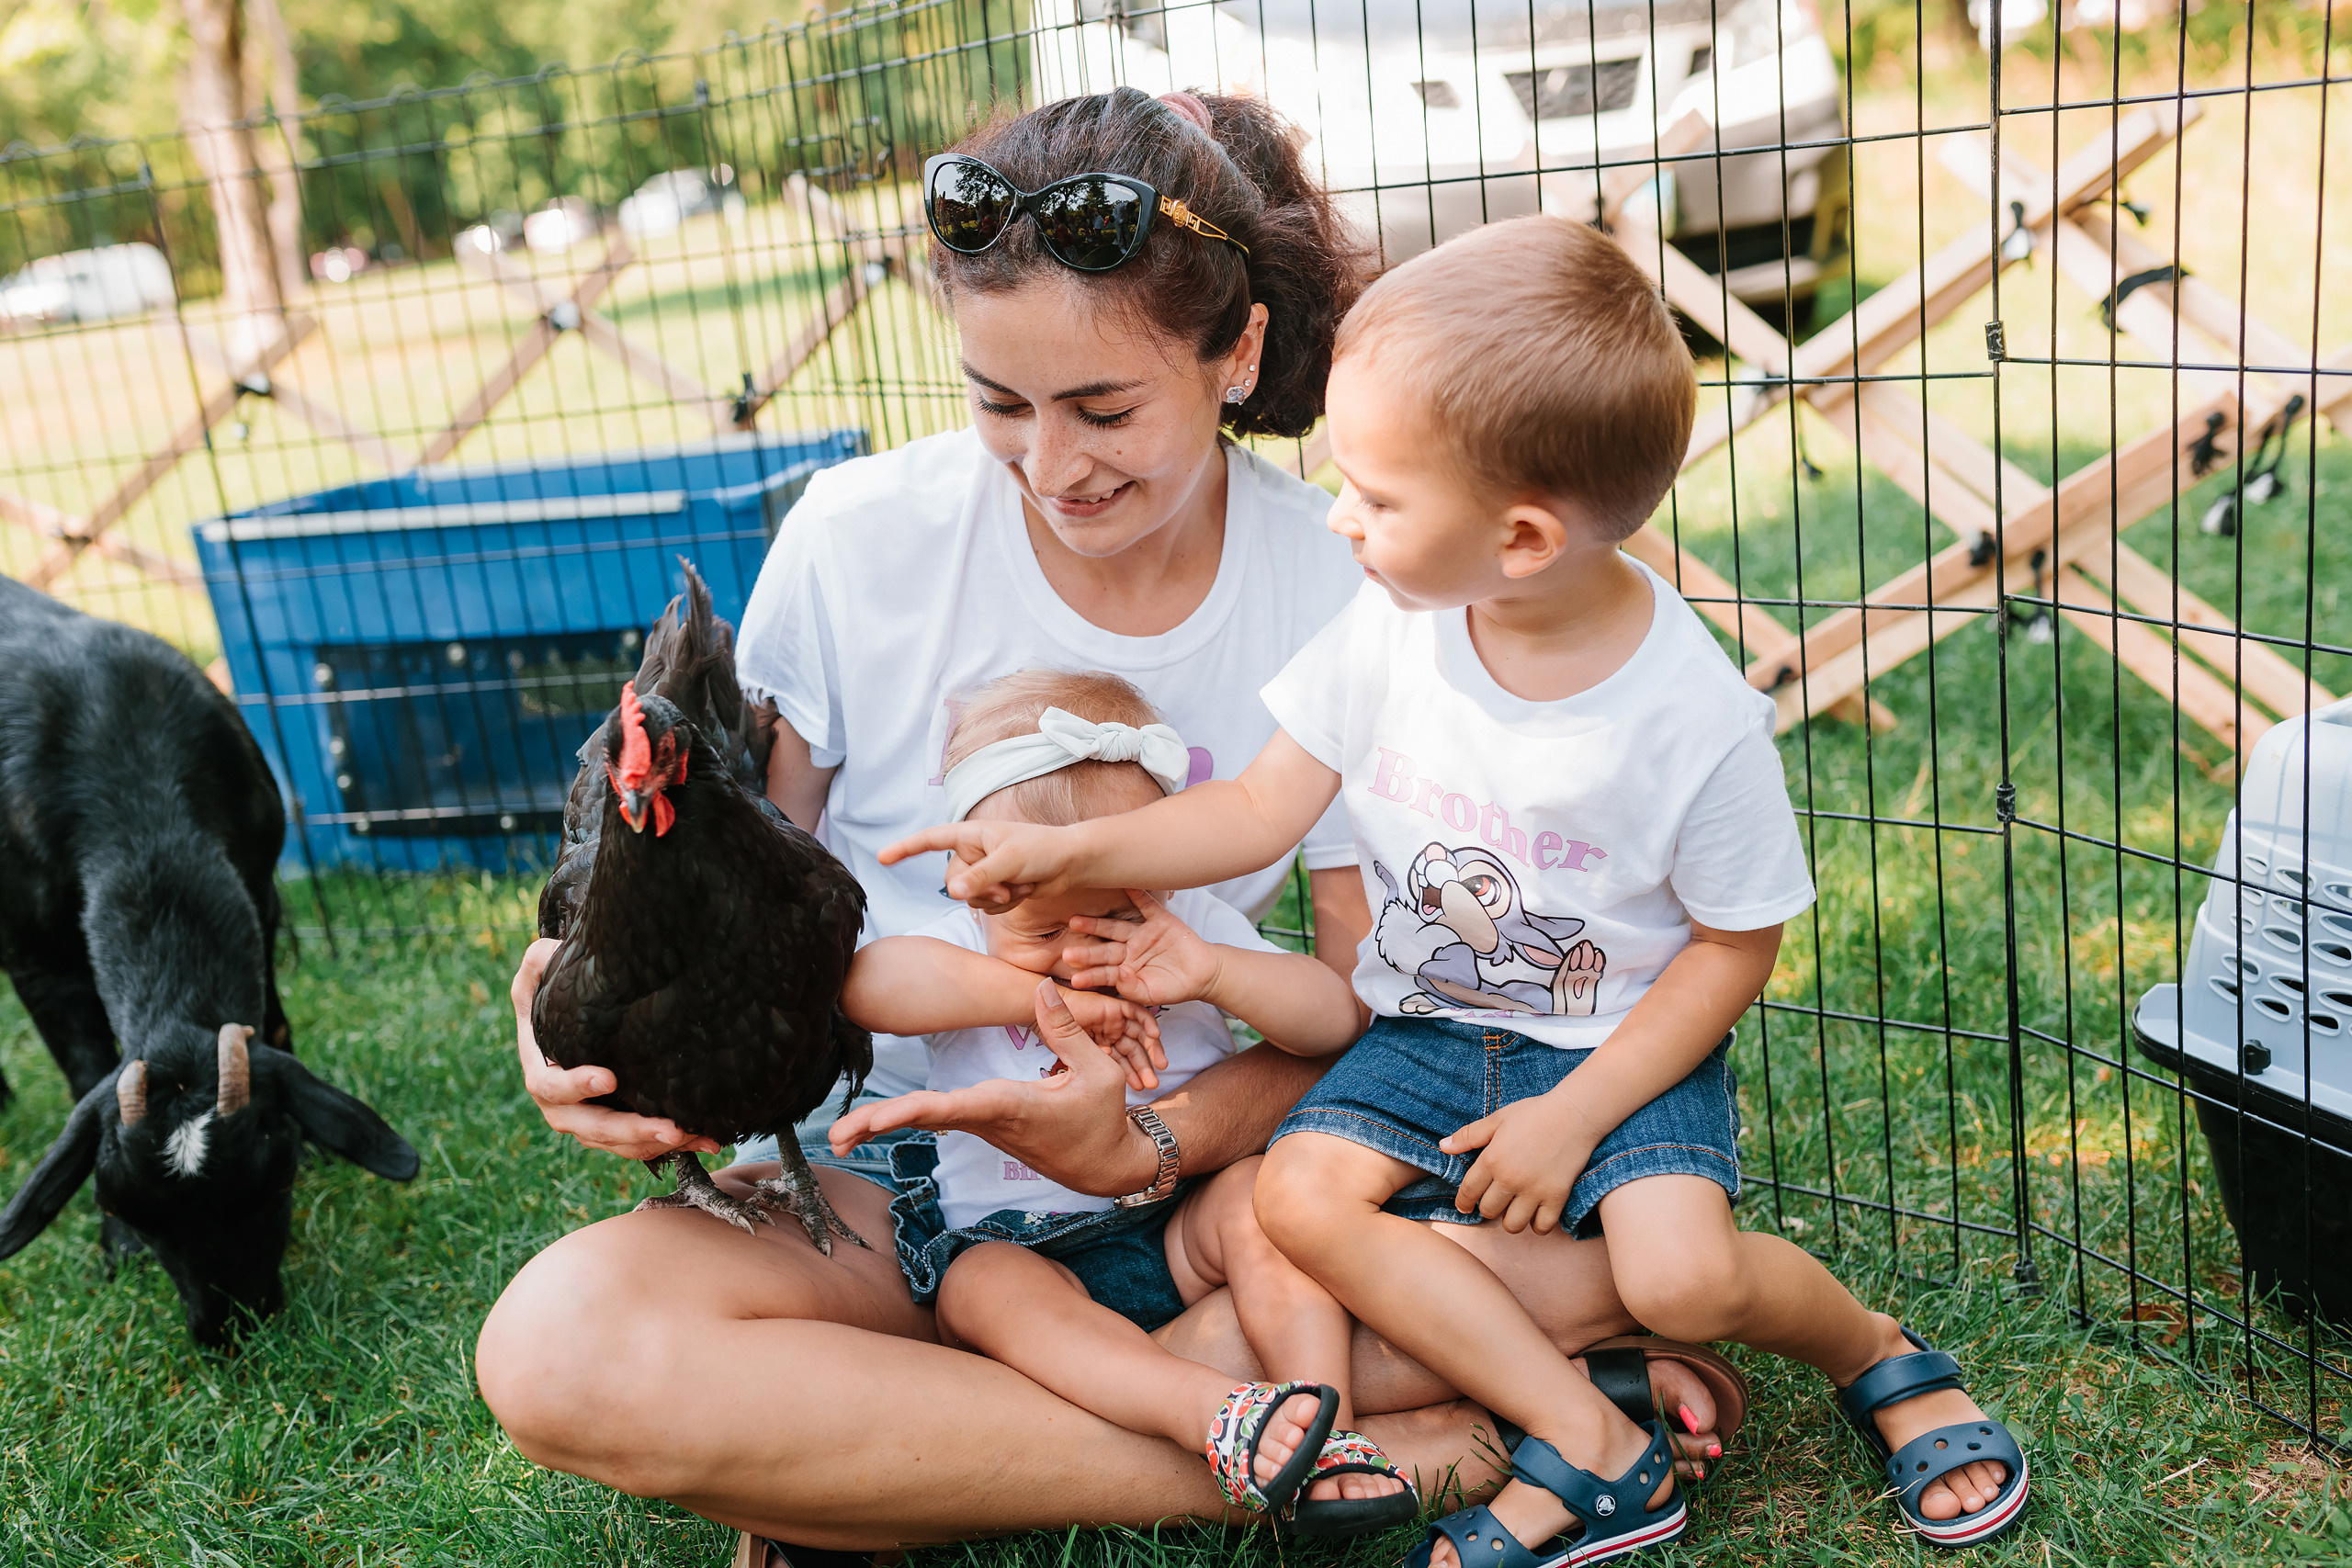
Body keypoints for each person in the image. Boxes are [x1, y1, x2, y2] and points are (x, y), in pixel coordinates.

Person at [479, 90, 1747, 1565]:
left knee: (1446, 1242)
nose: (1048, 464)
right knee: (558, 1347)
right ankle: (1322, 1442)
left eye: (1104, 409)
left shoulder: (1353, 593)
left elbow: (1370, 1009)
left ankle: (898, 1455)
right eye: (998, 402)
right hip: (898, 1199)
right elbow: (720, 886)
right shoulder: (851, 540)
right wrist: (562, 1007)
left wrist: (1142, 1142)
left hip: (1222, 1190)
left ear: (1241, 355)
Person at [882, 216, 2032, 1560]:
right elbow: (1257, 805)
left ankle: (1869, 1346)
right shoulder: (1393, 629)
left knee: (1684, 1271)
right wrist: (1075, 855)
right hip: (1427, 1039)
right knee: (1302, 1198)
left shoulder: (1690, 718)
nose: (1336, 514)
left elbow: (1732, 949)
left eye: (1373, 493)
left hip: (1618, 1047)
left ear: (1524, 536)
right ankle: (1595, 1445)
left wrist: (1577, 1116)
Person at [837, 670, 1416, 1535]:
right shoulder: (958, 947)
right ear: (973, 882)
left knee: (1261, 1208)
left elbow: (1332, 1016)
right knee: (978, 1290)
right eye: (1042, 932)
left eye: (1111, 915)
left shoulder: (1188, 924)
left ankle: (1323, 1425)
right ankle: (1207, 1412)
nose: (1077, 952)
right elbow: (872, 988)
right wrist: (1027, 997)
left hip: (1178, 1214)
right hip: (1020, 1239)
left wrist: (1217, 972)